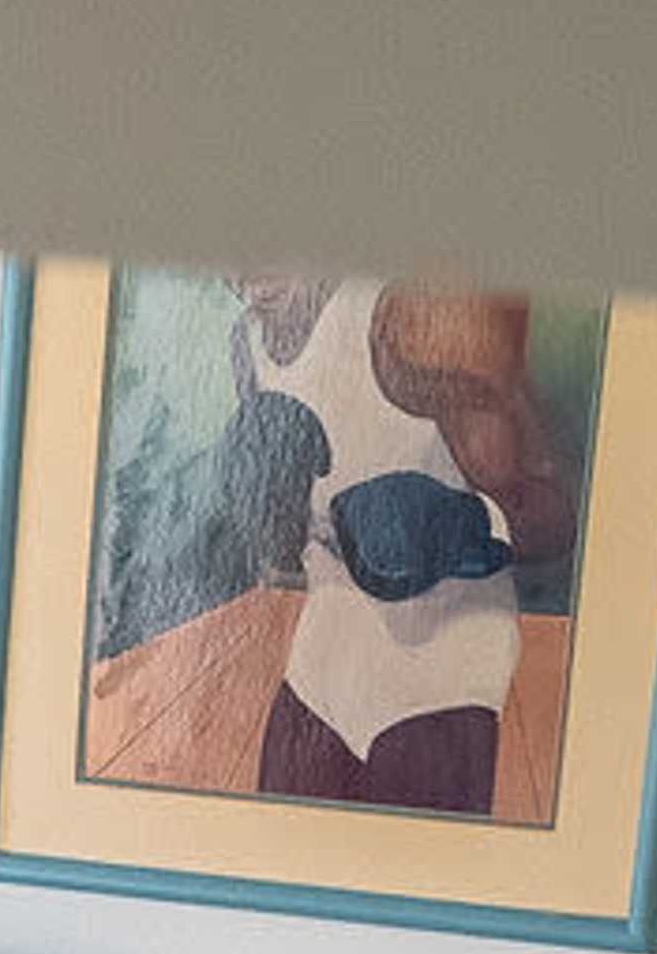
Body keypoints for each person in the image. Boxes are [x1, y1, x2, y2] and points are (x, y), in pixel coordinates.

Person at [220, 280, 574, 814]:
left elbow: (554, 513)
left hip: (442, 677)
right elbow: (289, 542)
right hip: (322, 667)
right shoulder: (247, 342)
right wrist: (269, 519)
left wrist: (461, 522)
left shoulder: (419, 317)